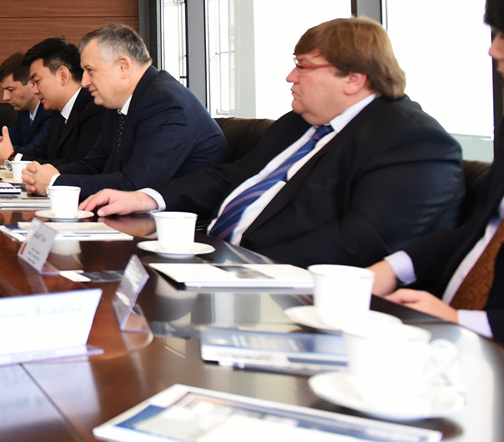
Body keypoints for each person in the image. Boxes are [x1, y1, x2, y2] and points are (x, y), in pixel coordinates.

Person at [87, 17, 462, 267]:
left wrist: (239, 265)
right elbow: (234, 176)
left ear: (353, 79)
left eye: (303, 66)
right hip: (215, 255)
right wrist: (147, 198)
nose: (290, 77)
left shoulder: (410, 141)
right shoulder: (298, 124)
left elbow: (357, 242)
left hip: (281, 282)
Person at [368, 0, 504, 337]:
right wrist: (392, 268)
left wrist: (459, 321)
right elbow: (482, 233)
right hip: (447, 329)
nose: (493, 50)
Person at [22, 23, 226, 196]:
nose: (84, 82)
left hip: (183, 225)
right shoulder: (118, 102)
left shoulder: (165, 103)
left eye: (90, 70)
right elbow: (95, 164)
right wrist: (46, 174)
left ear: (123, 67)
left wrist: (55, 183)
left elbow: (136, 185)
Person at [0, 39, 99, 167]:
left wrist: (11, 158)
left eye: (37, 81)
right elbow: (39, 152)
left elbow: (80, 166)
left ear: (63, 75)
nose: (34, 90)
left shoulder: (94, 108)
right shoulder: (58, 112)